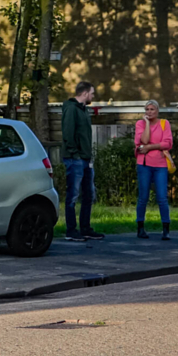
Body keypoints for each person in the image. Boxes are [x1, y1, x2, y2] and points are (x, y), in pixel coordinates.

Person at [61, 81, 105, 242]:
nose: (93, 96)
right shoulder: (72, 109)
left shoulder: (84, 110)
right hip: (75, 159)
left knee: (88, 194)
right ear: (85, 93)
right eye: (92, 93)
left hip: (85, 159)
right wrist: (75, 154)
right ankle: (71, 230)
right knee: (73, 194)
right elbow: (68, 133)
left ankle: (85, 228)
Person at [135, 100, 174, 240]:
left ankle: (166, 228)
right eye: (147, 109)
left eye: (152, 109)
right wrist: (146, 124)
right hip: (144, 164)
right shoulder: (140, 124)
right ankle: (140, 228)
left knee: (162, 197)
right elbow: (143, 141)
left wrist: (150, 147)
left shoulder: (164, 124)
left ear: (157, 111)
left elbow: (167, 143)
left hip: (160, 164)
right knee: (143, 197)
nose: (149, 112)